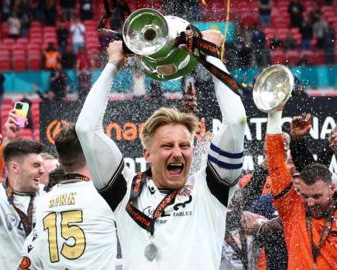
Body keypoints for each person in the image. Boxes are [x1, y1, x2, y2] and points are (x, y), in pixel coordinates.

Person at [75, 30, 247, 269]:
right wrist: (114, 62)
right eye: (167, 146)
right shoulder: (125, 193)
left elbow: (237, 122)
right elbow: (85, 129)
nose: (178, 153)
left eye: (184, 145)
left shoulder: (210, 191)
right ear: (147, 154)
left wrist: (211, 56)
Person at [266, 108, 337, 268]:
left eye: (317, 196)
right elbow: (276, 164)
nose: (311, 203)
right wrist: (274, 114)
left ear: (333, 188)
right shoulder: (292, 210)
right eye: (305, 196)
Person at [17, 124, 117, 269]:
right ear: (91, 155)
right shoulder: (106, 197)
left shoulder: (44, 202)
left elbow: (27, 262)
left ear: (60, 161)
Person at [0, 138, 45, 270]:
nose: (42, 171)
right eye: (36, 165)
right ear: (14, 167)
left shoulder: (48, 195)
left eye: (42, 165)